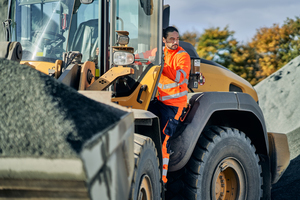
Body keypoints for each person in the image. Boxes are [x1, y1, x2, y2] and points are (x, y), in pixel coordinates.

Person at [148, 26, 191, 184]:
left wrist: (161, 64)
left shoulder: (183, 56)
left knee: (164, 139)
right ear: (164, 40)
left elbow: (179, 77)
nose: (175, 42)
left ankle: (162, 180)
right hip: (158, 101)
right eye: (172, 39)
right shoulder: (159, 52)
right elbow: (141, 57)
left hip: (174, 106)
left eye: (177, 39)